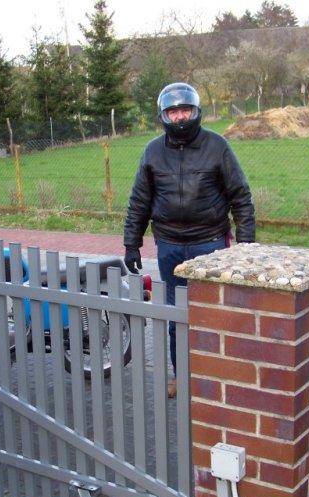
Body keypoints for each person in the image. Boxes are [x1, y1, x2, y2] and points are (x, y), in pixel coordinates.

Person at [123, 82, 256, 397]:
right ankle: (181, 376)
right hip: (169, 246)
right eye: (173, 112)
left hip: (210, 244)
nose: (180, 117)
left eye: (185, 110)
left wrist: (247, 244)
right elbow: (139, 200)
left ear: (196, 112)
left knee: (213, 314)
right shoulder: (153, 151)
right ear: (163, 115)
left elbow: (240, 196)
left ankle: (216, 379)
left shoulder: (217, 146)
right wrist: (132, 242)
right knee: (176, 317)